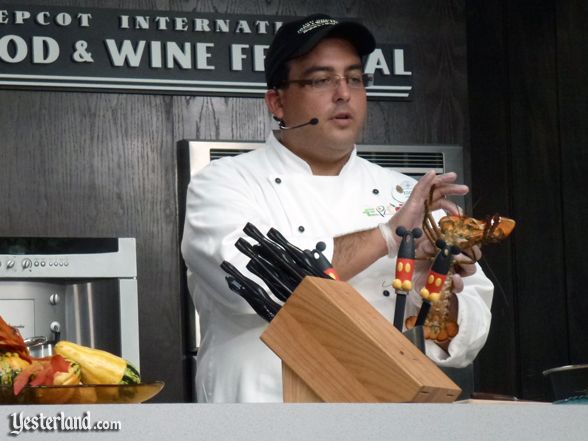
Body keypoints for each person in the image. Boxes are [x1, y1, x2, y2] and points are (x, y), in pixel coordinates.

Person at [181, 13, 493, 403]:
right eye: (321, 80)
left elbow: (466, 340)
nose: (343, 93)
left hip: (384, 419)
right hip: (263, 417)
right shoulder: (225, 184)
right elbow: (259, 284)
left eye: (354, 78)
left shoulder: (408, 196)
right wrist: (387, 237)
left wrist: (435, 285)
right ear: (277, 101)